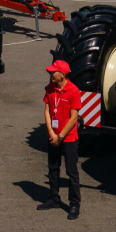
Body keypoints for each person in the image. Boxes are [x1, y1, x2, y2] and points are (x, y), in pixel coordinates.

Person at [39, 60, 82, 219]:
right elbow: (47, 110)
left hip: (68, 137)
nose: (50, 74)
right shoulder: (50, 88)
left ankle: (74, 204)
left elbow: (73, 119)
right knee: (53, 168)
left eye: (53, 72)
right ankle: (53, 198)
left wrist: (61, 136)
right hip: (53, 135)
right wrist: (51, 131)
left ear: (62, 74)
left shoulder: (73, 91)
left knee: (71, 172)